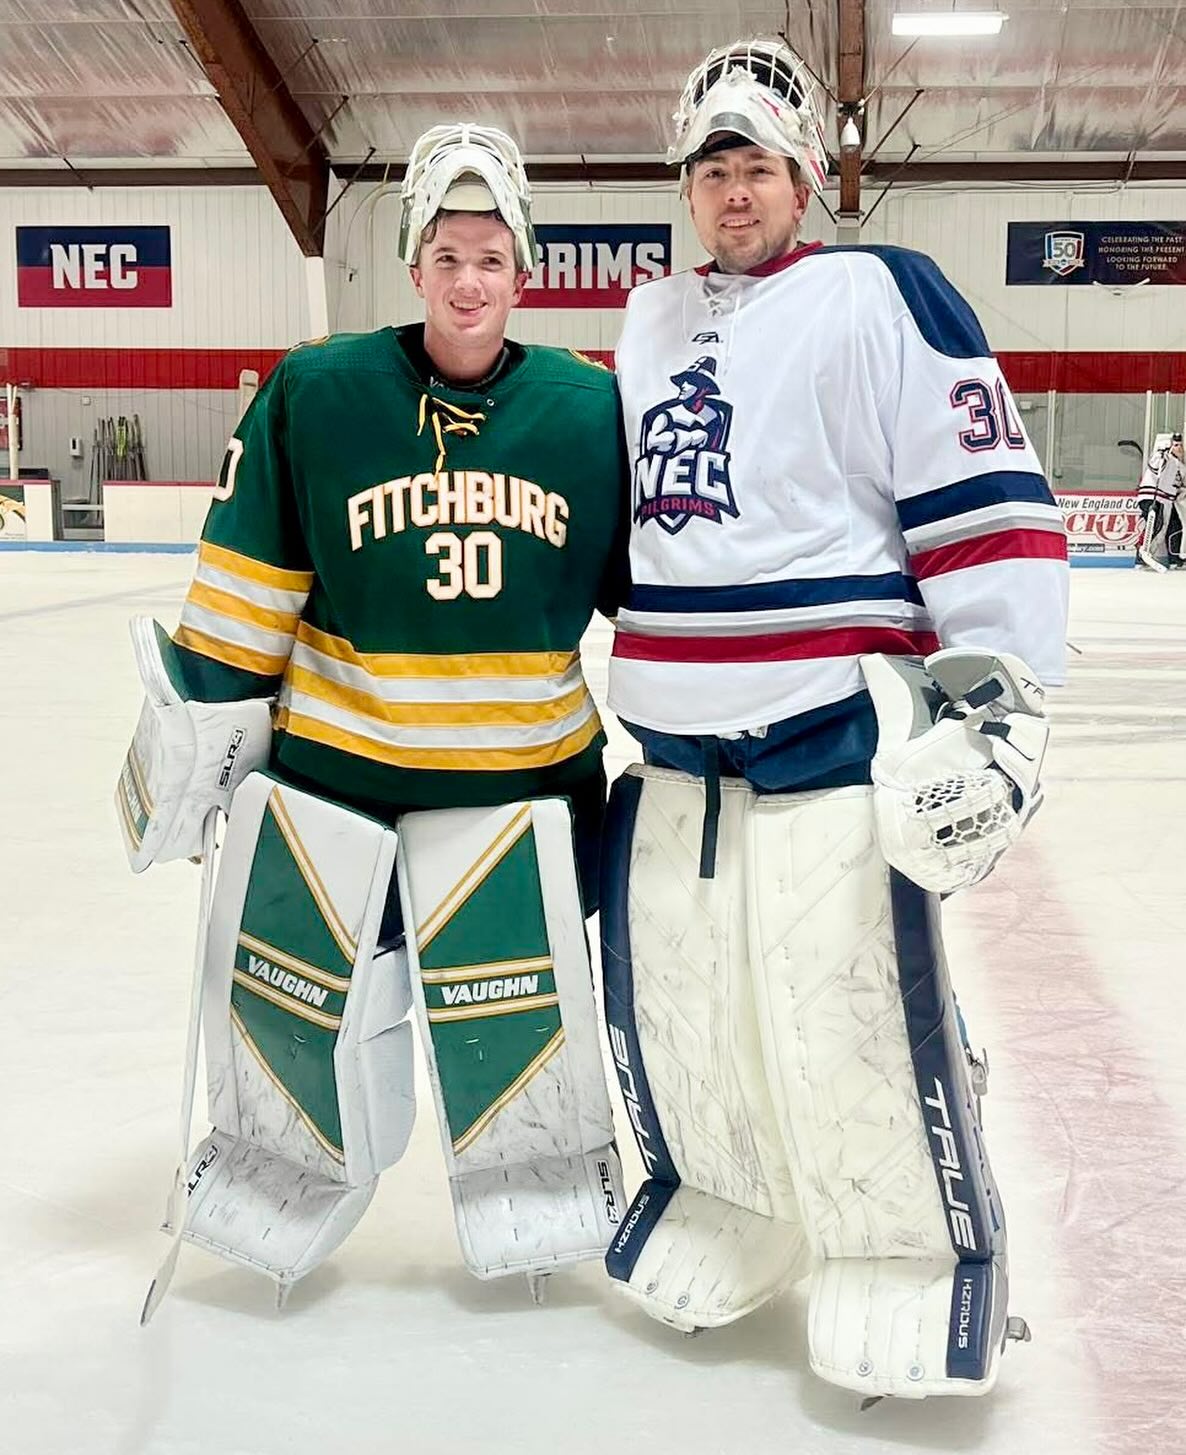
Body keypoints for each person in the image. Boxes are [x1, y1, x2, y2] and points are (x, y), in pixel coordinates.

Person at [598, 37, 1068, 1402]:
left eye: (755, 166)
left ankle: (908, 1253)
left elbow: (979, 497)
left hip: (824, 742)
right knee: (693, 1010)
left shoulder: (881, 294)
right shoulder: (645, 320)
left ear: (806, 175)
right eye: (708, 169)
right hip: (673, 756)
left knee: (842, 1009)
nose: (731, 193)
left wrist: (995, 701)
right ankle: (729, 1199)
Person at [115, 124, 628, 1314]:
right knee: (305, 1022)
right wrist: (193, 752)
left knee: (519, 1032)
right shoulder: (320, 390)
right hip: (339, 793)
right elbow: (245, 593)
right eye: (445, 254)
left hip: (526, 799)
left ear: (525, 269)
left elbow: (657, 600)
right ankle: (277, 1176)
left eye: (491, 257)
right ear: (412, 261)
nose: (467, 281)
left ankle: (539, 1186)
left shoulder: (587, 409)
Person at [1136, 431, 1185, 569]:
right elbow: (1154, 466)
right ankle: (1142, 556)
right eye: (1176, 445)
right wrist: (1162, 454)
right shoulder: (1163, 457)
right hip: (1153, 497)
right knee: (1156, 526)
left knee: (1161, 528)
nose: (1179, 448)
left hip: (1166, 501)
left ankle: (1150, 555)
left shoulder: (1180, 466)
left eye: (1181, 446)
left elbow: (1180, 486)